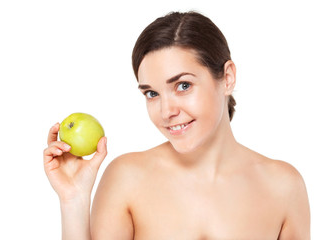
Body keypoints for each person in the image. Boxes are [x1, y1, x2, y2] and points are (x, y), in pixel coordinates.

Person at [43, 11, 310, 240]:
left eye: (183, 86)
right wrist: (74, 201)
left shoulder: (284, 186)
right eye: (152, 93)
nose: (167, 112)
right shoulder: (127, 178)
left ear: (227, 78)